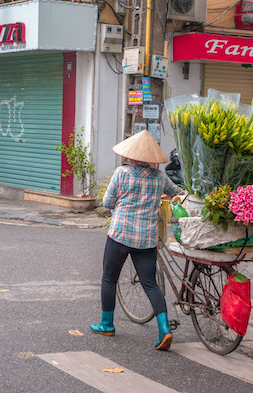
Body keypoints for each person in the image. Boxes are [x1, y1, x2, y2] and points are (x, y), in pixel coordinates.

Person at [90, 130, 183, 351]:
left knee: (109, 279)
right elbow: (178, 194)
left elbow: (107, 202)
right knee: (149, 283)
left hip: (120, 235)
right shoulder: (160, 177)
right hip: (146, 239)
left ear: (131, 156)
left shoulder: (122, 173)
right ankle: (164, 329)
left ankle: (106, 324)